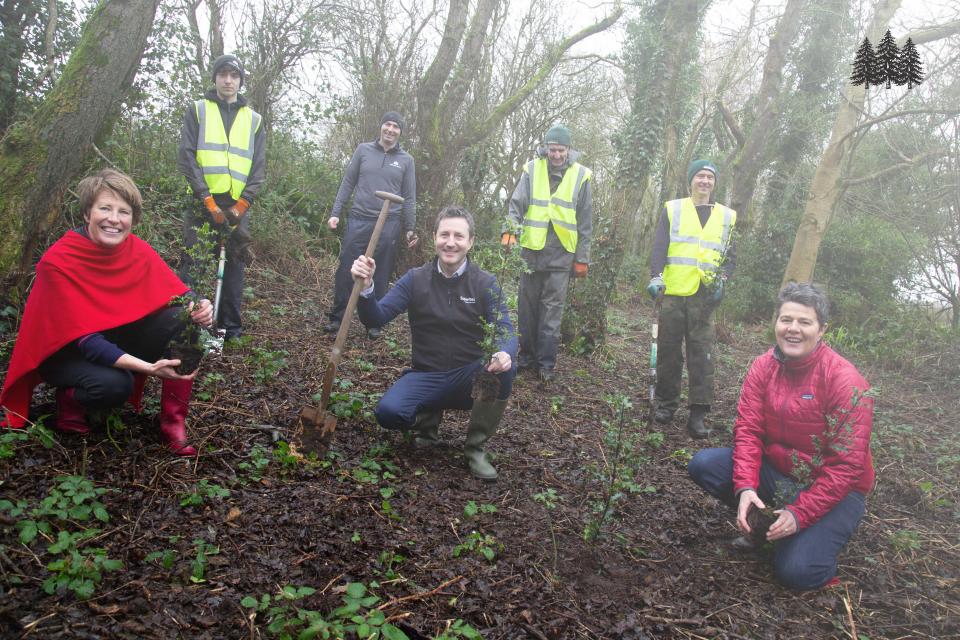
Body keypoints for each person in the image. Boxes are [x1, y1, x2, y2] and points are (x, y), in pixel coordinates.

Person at [0, 169, 214, 456]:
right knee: (115, 385)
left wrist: (199, 305)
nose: (114, 219)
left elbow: (177, 292)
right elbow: (86, 340)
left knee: (188, 320)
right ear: (88, 213)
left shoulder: (136, 250)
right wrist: (148, 367)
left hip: (114, 339)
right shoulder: (59, 261)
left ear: (133, 220)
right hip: (68, 353)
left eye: (123, 212)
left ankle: (173, 422)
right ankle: (70, 400)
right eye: (105, 208)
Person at [687, 283, 874, 591]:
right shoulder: (763, 367)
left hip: (839, 491)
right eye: (786, 320)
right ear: (775, 322)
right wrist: (745, 486)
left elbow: (846, 468)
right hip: (781, 472)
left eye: (804, 322)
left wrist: (800, 513)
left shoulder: (844, 380)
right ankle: (766, 526)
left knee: (797, 573)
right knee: (704, 464)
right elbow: (748, 432)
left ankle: (807, 540)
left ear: (822, 329)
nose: (793, 329)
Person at [350, 206, 517, 479]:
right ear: (434, 237)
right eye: (444, 234)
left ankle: (475, 448)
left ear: (470, 242)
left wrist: (503, 351)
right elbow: (375, 319)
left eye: (459, 236)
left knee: (505, 369)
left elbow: (505, 329)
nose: (451, 242)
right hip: (427, 374)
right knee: (388, 413)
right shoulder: (415, 279)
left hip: (469, 378)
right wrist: (366, 287)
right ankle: (427, 421)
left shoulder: (485, 282)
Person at [178, 53, 266, 340]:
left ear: (240, 81)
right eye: (223, 75)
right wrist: (207, 200)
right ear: (215, 78)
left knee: (235, 266)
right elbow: (187, 156)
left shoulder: (253, 120)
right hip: (203, 201)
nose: (228, 80)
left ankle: (231, 328)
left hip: (237, 204)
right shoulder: (198, 110)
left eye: (234, 76)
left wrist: (242, 204)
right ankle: (191, 323)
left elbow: (258, 167)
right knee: (195, 261)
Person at [647, 159, 736, 438]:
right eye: (700, 176)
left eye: (710, 177)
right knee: (668, 351)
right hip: (673, 292)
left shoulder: (727, 216)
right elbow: (660, 246)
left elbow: (730, 256)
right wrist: (655, 276)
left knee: (702, 354)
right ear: (691, 181)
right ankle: (665, 404)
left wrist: (723, 279)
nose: (705, 181)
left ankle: (699, 413)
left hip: (705, 296)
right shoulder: (672, 209)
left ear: (714, 183)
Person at [504, 124, 592, 382]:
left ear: (569, 150)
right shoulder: (532, 169)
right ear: (545, 148)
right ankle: (526, 357)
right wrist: (510, 231)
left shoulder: (581, 176)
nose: (556, 155)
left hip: (562, 254)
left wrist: (582, 258)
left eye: (561, 150)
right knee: (527, 308)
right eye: (552, 150)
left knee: (552, 312)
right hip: (531, 251)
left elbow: (585, 221)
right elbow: (516, 203)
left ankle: (546, 364)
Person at [326, 111, 418, 338]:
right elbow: (348, 181)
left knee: (380, 272)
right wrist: (336, 212)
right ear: (381, 127)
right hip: (359, 218)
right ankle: (337, 317)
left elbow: (409, 195)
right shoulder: (363, 150)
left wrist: (410, 227)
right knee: (347, 268)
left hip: (389, 223)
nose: (390, 129)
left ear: (400, 132)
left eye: (396, 127)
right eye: (387, 124)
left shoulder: (406, 160)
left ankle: (373, 322)